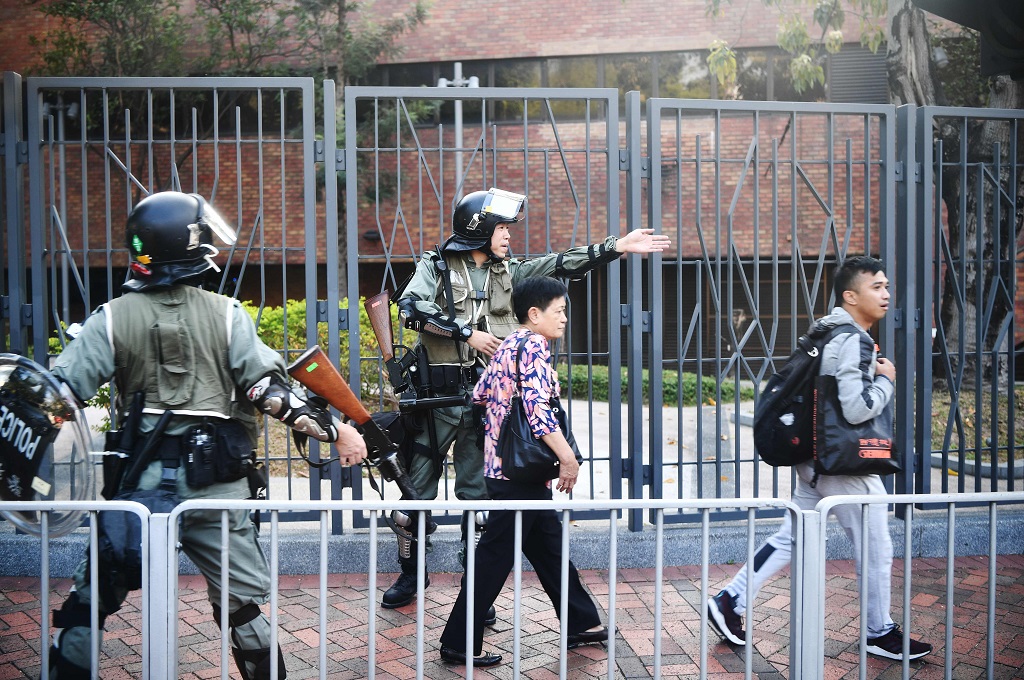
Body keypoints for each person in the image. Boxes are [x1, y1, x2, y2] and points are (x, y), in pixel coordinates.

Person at [46, 191, 368, 679]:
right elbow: (269, 393)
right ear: (191, 247)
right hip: (216, 487)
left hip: (139, 485)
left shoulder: (112, 318)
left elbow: (56, 394)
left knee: (90, 599)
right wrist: (336, 430)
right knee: (243, 610)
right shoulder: (226, 315)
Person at [384, 187, 671, 610]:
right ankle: (411, 575)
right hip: (435, 400)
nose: (508, 236)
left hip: (484, 404)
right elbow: (408, 307)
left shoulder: (508, 270)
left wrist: (616, 247)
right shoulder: (436, 266)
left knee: (479, 502)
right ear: (479, 229)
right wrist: (467, 332)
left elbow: (559, 262)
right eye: (501, 228)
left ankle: (474, 596)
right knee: (413, 500)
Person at [706, 256, 932, 662]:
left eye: (886, 286)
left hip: (813, 458)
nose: (885, 294)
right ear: (851, 295)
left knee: (792, 535)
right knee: (876, 546)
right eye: (877, 287)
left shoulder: (825, 331)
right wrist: (885, 381)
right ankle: (879, 631)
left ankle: (729, 600)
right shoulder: (854, 340)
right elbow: (856, 408)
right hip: (844, 464)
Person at [437, 276, 608, 666]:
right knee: (495, 556)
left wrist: (499, 432)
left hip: (508, 470)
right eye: (559, 311)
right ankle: (459, 643)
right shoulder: (532, 345)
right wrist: (567, 457)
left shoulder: (509, 344)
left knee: (548, 549)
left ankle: (581, 623)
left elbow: (480, 396)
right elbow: (537, 409)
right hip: (519, 477)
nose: (565, 318)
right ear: (535, 313)